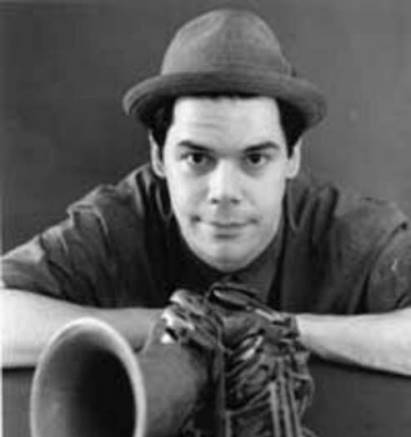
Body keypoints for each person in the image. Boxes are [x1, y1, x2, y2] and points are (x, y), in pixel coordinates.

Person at [3, 9, 411, 374]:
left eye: (255, 159)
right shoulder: (118, 221)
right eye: (197, 158)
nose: (224, 192)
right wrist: (170, 326)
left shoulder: (350, 230)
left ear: (292, 158)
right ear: (158, 156)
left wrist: (283, 329)